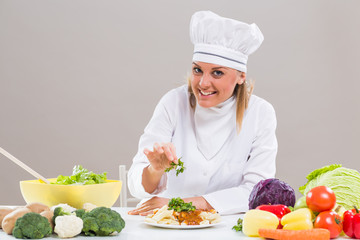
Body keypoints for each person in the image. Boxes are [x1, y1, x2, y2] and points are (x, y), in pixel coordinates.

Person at [127, 10, 277, 216]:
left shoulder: (261, 113)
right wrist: (155, 169)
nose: (203, 83)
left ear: (241, 76)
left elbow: (257, 191)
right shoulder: (173, 102)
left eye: (217, 73)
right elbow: (136, 185)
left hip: (224, 228)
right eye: (198, 70)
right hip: (163, 223)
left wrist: (180, 204)